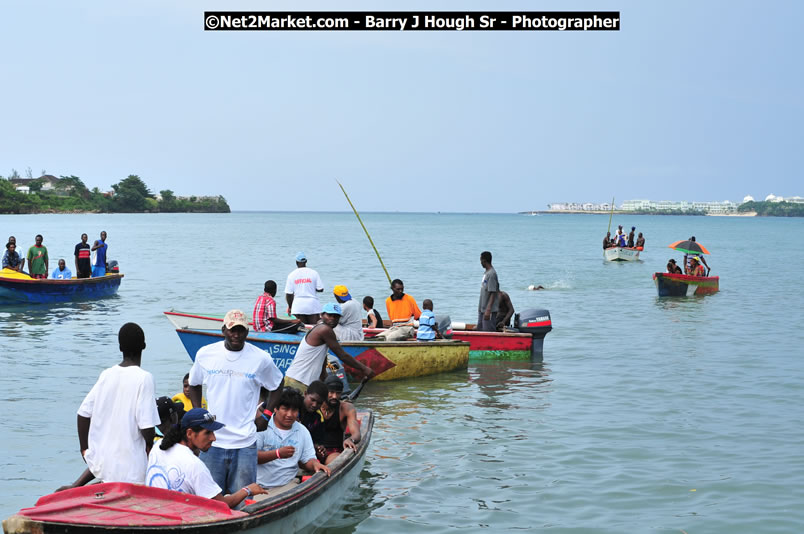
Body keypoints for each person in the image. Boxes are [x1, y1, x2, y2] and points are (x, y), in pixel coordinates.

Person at [188, 309, 285, 496]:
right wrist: (198, 413)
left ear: (247, 332)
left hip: (245, 444)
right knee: (210, 500)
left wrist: (266, 415)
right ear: (223, 330)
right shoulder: (206, 354)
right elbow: (194, 384)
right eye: (232, 330)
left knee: (242, 501)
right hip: (212, 442)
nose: (236, 335)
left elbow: (278, 383)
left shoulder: (261, 358)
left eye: (241, 330)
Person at [77, 323, 160, 484]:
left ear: (120, 347)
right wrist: (150, 447)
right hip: (132, 470)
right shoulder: (144, 378)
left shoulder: (106, 375)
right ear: (144, 345)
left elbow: (83, 413)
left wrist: (85, 450)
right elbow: (147, 429)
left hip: (104, 467)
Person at [146, 408, 266, 508]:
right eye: (207, 433)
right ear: (189, 433)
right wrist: (247, 490)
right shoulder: (194, 465)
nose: (213, 438)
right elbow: (220, 504)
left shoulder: (158, 446)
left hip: (154, 511)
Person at [284, 303, 376, 393]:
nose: (332, 319)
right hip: (298, 382)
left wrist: (327, 388)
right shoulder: (325, 330)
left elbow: (323, 367)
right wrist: (364, 369)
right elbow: (342, 355)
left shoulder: (320, 328)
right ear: (322, 315)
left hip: (297, 381)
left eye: (336, 316)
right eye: (329, 315)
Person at [255, 388, 330, 496]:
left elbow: (307, 459)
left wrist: (315, 464)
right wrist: (277, 454)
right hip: (257, 487)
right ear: (275, 408)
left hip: (287, 486)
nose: (290, 414)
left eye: (294, 410)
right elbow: (252, 457)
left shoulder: (302, 431)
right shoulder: (262, 426)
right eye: (285, 409)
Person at [307, 375, 363, 465]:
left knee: (335, 463)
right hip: (312, 451)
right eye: (331, 392)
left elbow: (356, 433)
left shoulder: (346, 408)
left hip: (334, 453)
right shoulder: (313, 407)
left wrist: (350, 440)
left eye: (338, 393)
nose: (335, 396)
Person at [284, 252, 324, 325]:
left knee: (300, 329)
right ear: (306, 261)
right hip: (312, 305)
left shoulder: (291, 275)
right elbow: (320, 289)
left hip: (298, 306)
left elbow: (289, 294)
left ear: (296, 262)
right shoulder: (314, 273)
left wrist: (290, 307)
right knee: (314, 328)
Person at [477, 251, 499, 332]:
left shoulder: (492, 274)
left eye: (481, 260)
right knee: (479, 329)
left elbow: (493, 292)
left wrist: (488, 309)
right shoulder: (486, 273)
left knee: (487, 331)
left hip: (488, 310)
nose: (480, 263)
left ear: (484, 261)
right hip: (482, 309)